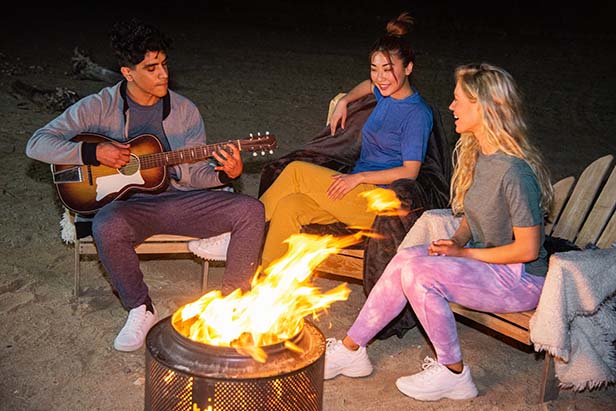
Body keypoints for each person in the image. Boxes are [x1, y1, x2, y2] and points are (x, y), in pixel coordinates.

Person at [25, 18, 265, 352]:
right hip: (128, 207)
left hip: (178, 201)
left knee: (251, 211)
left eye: (164, 65)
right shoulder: (101, 106)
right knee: (106, 225)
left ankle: (234, 308)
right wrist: (95, 151)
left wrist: (225, 174)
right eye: (151, 68)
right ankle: (141, 308)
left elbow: (195, 173)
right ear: (128, 73)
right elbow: (37, 144)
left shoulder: (184, 111)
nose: (163, 74)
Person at [323, 63, 554, 401]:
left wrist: (464, 253)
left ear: (484, 106)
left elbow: (527, 250)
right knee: (406, 258)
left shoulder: (514, 172)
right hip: (490, 266)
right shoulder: (482, 157)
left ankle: (454, 372)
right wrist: (457, 240)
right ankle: (351, 350)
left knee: (420, 273)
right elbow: (476, 216)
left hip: (519, 279)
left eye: (459, 100)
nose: (451, 107)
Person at [258, 12, 433, 268]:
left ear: (408, 68)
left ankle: (238, 225)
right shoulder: (385, 93)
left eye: (388, 69)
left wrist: (359, 178)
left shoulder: (417, 114)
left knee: (295, 172)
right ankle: (264, 280)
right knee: (290, 205)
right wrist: (345, 100)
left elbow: (411, 171)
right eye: (375, 69)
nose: (380, 77)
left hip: (377, 203)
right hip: (351, 193)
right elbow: (366, 86)